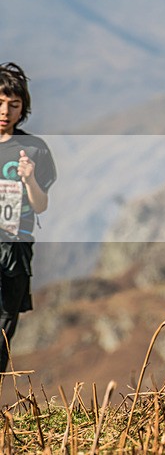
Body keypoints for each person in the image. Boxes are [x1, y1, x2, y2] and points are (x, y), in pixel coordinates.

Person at [0, 63, 56, 373]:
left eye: (14, 105)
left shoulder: (34, 150)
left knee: (5, 328)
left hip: (15, 250)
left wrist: (29, 180)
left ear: (24, 108)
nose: (5, 111)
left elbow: (41, 205)